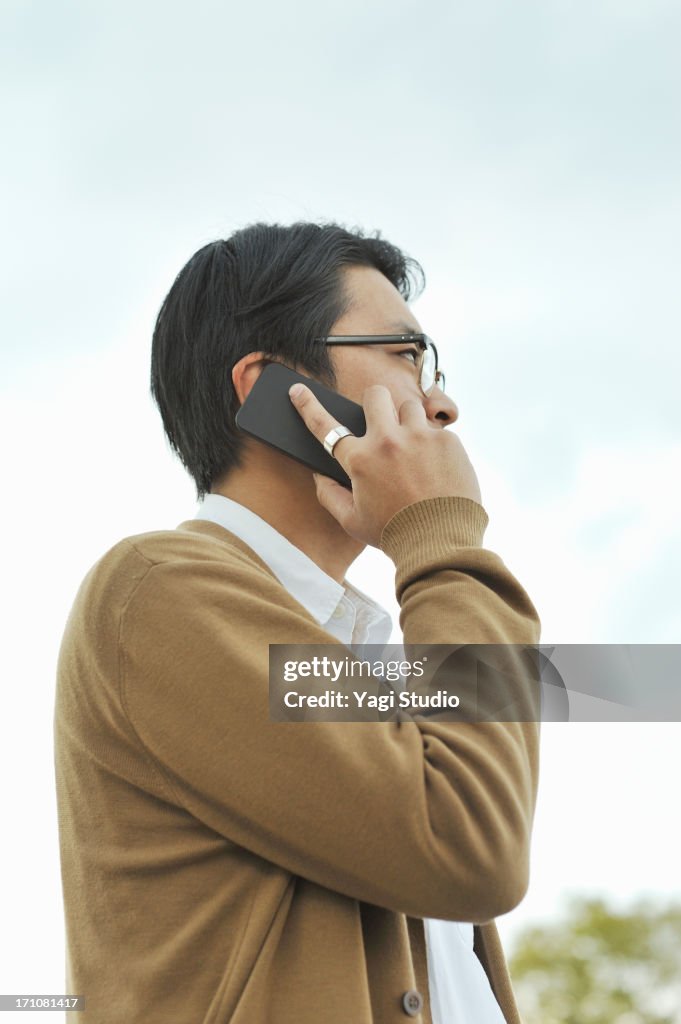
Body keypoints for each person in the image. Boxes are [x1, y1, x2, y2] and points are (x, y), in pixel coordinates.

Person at [54, 221, 541, 1023]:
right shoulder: (160, 593)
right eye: (406, 355)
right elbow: (469, 846)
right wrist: (442, 538)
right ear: (273, 387)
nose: (441, 405)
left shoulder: (350, 650)